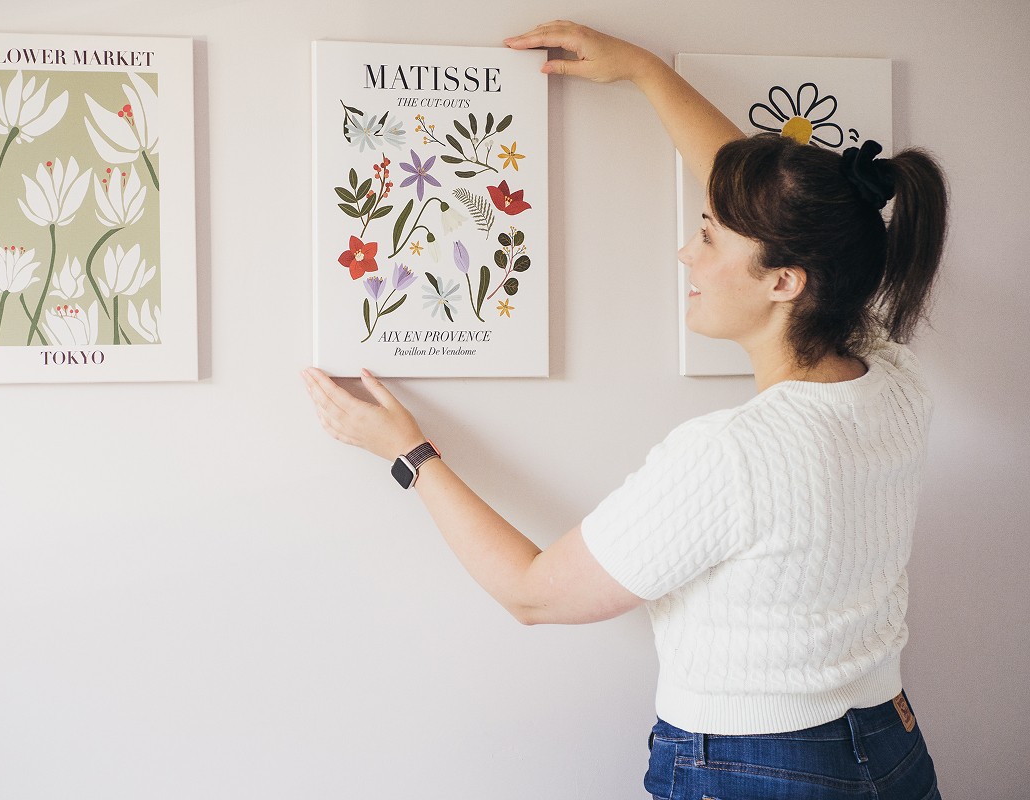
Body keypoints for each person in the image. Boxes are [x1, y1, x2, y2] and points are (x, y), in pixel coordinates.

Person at [303, 20, 947, 800]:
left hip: (759, 768)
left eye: (709, 237)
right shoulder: (892, 377)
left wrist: (407, 451)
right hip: (889, 745)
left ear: (786, 282)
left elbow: (534, 594)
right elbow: (770, 216)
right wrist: (645, 71)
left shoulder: (733, 453)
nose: (688, 253)